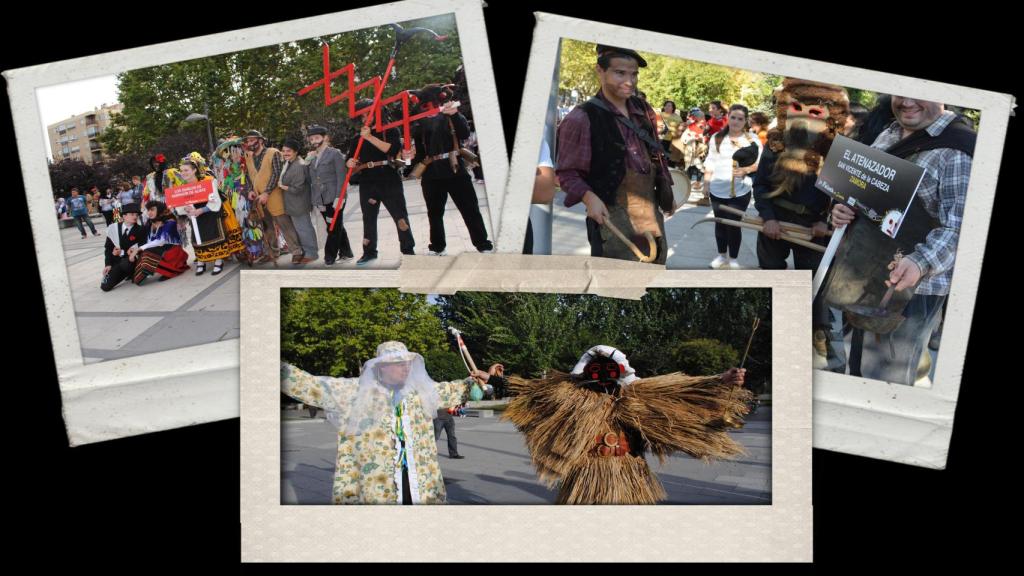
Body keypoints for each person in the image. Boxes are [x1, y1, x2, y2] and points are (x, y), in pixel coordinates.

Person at [830, 95, 974, 385]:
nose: (907, 102)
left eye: (919, 93)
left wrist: (919, 263)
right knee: (857, 368)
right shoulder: (889, 131)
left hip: (916, 287)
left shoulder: (959, 149)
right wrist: (844, 209)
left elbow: (961, 227)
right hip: (867, 272)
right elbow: (866, 192)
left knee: (886, 379)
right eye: (900, 93)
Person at [504, 345, 750, 504]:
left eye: (608, 370)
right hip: (586, 473)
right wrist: (494, 377)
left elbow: (683, 391)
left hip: (629, 472)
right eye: (595, 369)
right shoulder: (570, 396)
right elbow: (530, 391)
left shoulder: (636, 395)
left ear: (619, 371)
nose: (601, 376)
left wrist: (722, 380)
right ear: (587, 371)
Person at [280, 341, 498, 504]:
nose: (405, 368)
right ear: (381, 367)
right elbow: (307, 385)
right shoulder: (354, 392)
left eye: (406, 363)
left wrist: (482, 381)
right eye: (398, 364)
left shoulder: (420, 392)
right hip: (377, 487)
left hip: (420, 484)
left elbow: (459, 389)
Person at [753, 78, 849, 363]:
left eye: (815, 112)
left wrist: (828, 223)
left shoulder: (837, 149)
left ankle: (819, 333)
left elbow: (845, 196)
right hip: (775, 222)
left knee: (815, 283)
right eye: (797, 107)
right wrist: (767, 218)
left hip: (814, 227)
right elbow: (760, 185)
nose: (804, 117)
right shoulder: (775, 142)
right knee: (772, 277)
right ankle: (775, 330)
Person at [555, 45, 673, 264]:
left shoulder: (644, 109)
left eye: (634, 74)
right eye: (620, 73)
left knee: (653, 277)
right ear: (600, 71)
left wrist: (666, 189)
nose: (630, 81)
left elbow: (655, 153)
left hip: (650, 213)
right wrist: (589, 199)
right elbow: (566, 173)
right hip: (612, 217)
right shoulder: (581, 117)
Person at [409, 83, 494, 255]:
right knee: (434, 213)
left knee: (470, 209)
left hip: (455, 169)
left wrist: (454, 115)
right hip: (432, 172)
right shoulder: (420, 121)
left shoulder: (451, 114)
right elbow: (419, 149)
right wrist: (409, 159)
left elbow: (464, 134)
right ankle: (438, 246)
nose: (430, 106)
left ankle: (483, 244)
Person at [346, 100, 416, 264]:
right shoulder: (357, 138)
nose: (365, 117)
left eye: (368, 112)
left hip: (388, 177)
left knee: (399, 215)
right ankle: (369, 252)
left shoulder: (390, 130)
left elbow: (391, 150)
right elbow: (351, 158)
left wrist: (369, 137)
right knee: (368, 218)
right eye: (362, 115)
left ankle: (408, 249)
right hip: (367, 180)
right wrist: (349, 162)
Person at [704, 104, 762, 269]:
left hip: (741, 190)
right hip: (717, 188)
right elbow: (711, 161)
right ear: (728, 117)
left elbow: (760, 163)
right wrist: (706, 183)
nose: (736, 121)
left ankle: (734, 259)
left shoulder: (752, 140)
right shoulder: (717, 137)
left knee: (734, 224)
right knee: (720, 223)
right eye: (733, 117)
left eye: (740, 119)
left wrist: (746, 170)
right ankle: (721, 256)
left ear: (745, 121)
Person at [177, 153, 244, 275]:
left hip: (210, 213)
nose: (183, 173)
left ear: (194, 170)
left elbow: (215, 200)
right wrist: (186, 209)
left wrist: (201, 210)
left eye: (186, 170)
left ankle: (219, 261)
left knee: (214, 235)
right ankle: (202, 260)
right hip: (194, 216)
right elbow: (180, 206)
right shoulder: (182, 187)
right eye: (181, 171)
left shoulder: (208, 181)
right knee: (197, 237)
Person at [244, 130, 299, 263]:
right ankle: (273, 252)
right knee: (267, 227)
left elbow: (277, 173)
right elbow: (249, 176)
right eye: (248, 141)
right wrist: (250, 190)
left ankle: (297, 251)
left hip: (274, 196)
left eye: (252, 140)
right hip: (259, 199)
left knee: (285, 225)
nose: (250, 143)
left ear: (261, 141)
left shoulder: (273, 153)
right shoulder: (249, 157)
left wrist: (266, 192)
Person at [305, 125, 354, 264]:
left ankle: (329, 256)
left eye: (317, 137)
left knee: (333, 227)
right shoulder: (312, 157)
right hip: (321, 199)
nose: (314, 141)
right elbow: (311, 179)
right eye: (312, 138)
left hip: (334, 196)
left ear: (325, 137)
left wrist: (340, 197)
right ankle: (346, 252)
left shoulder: (334, 154)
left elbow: (341, 177)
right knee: (334, 225)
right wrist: (307, 161)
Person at [278, 138, 317, 265]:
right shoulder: (289, 163)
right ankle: (307, 251)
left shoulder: (299, 165)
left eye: (288, 151)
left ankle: (311, 253)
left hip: (299, 204)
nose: (285, 153)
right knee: (301, 229)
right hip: (294, 204)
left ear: (295, 152)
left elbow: (298, 189)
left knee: (304, 229)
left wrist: (283, 187)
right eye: (283, 151)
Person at [130, 200, 190, 284]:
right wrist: (135, 248)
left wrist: (139, 248)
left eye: (152, 210)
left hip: (173, 251)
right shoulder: (150, 223)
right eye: (148, 210)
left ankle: (170, 270)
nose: (149, 212)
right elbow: (148, 240)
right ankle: (143, 272)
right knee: (142, 251)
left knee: (146, 252)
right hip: (161, 248)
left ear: (160, 210)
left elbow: (161, 241)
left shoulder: (170, 222)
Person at [100, 202, 144, 292]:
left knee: (126, 264)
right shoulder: (113, 228)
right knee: (105, 286)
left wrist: (124, 252)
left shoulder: (140, 229)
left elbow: (142, 246)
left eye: (137, 215)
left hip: (131, 261)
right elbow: (108, 248)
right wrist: (108, 264)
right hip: (117, 262)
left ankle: (133, 273)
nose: (135, 217)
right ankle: (125, 274)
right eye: (132, 214)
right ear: (124, 216)